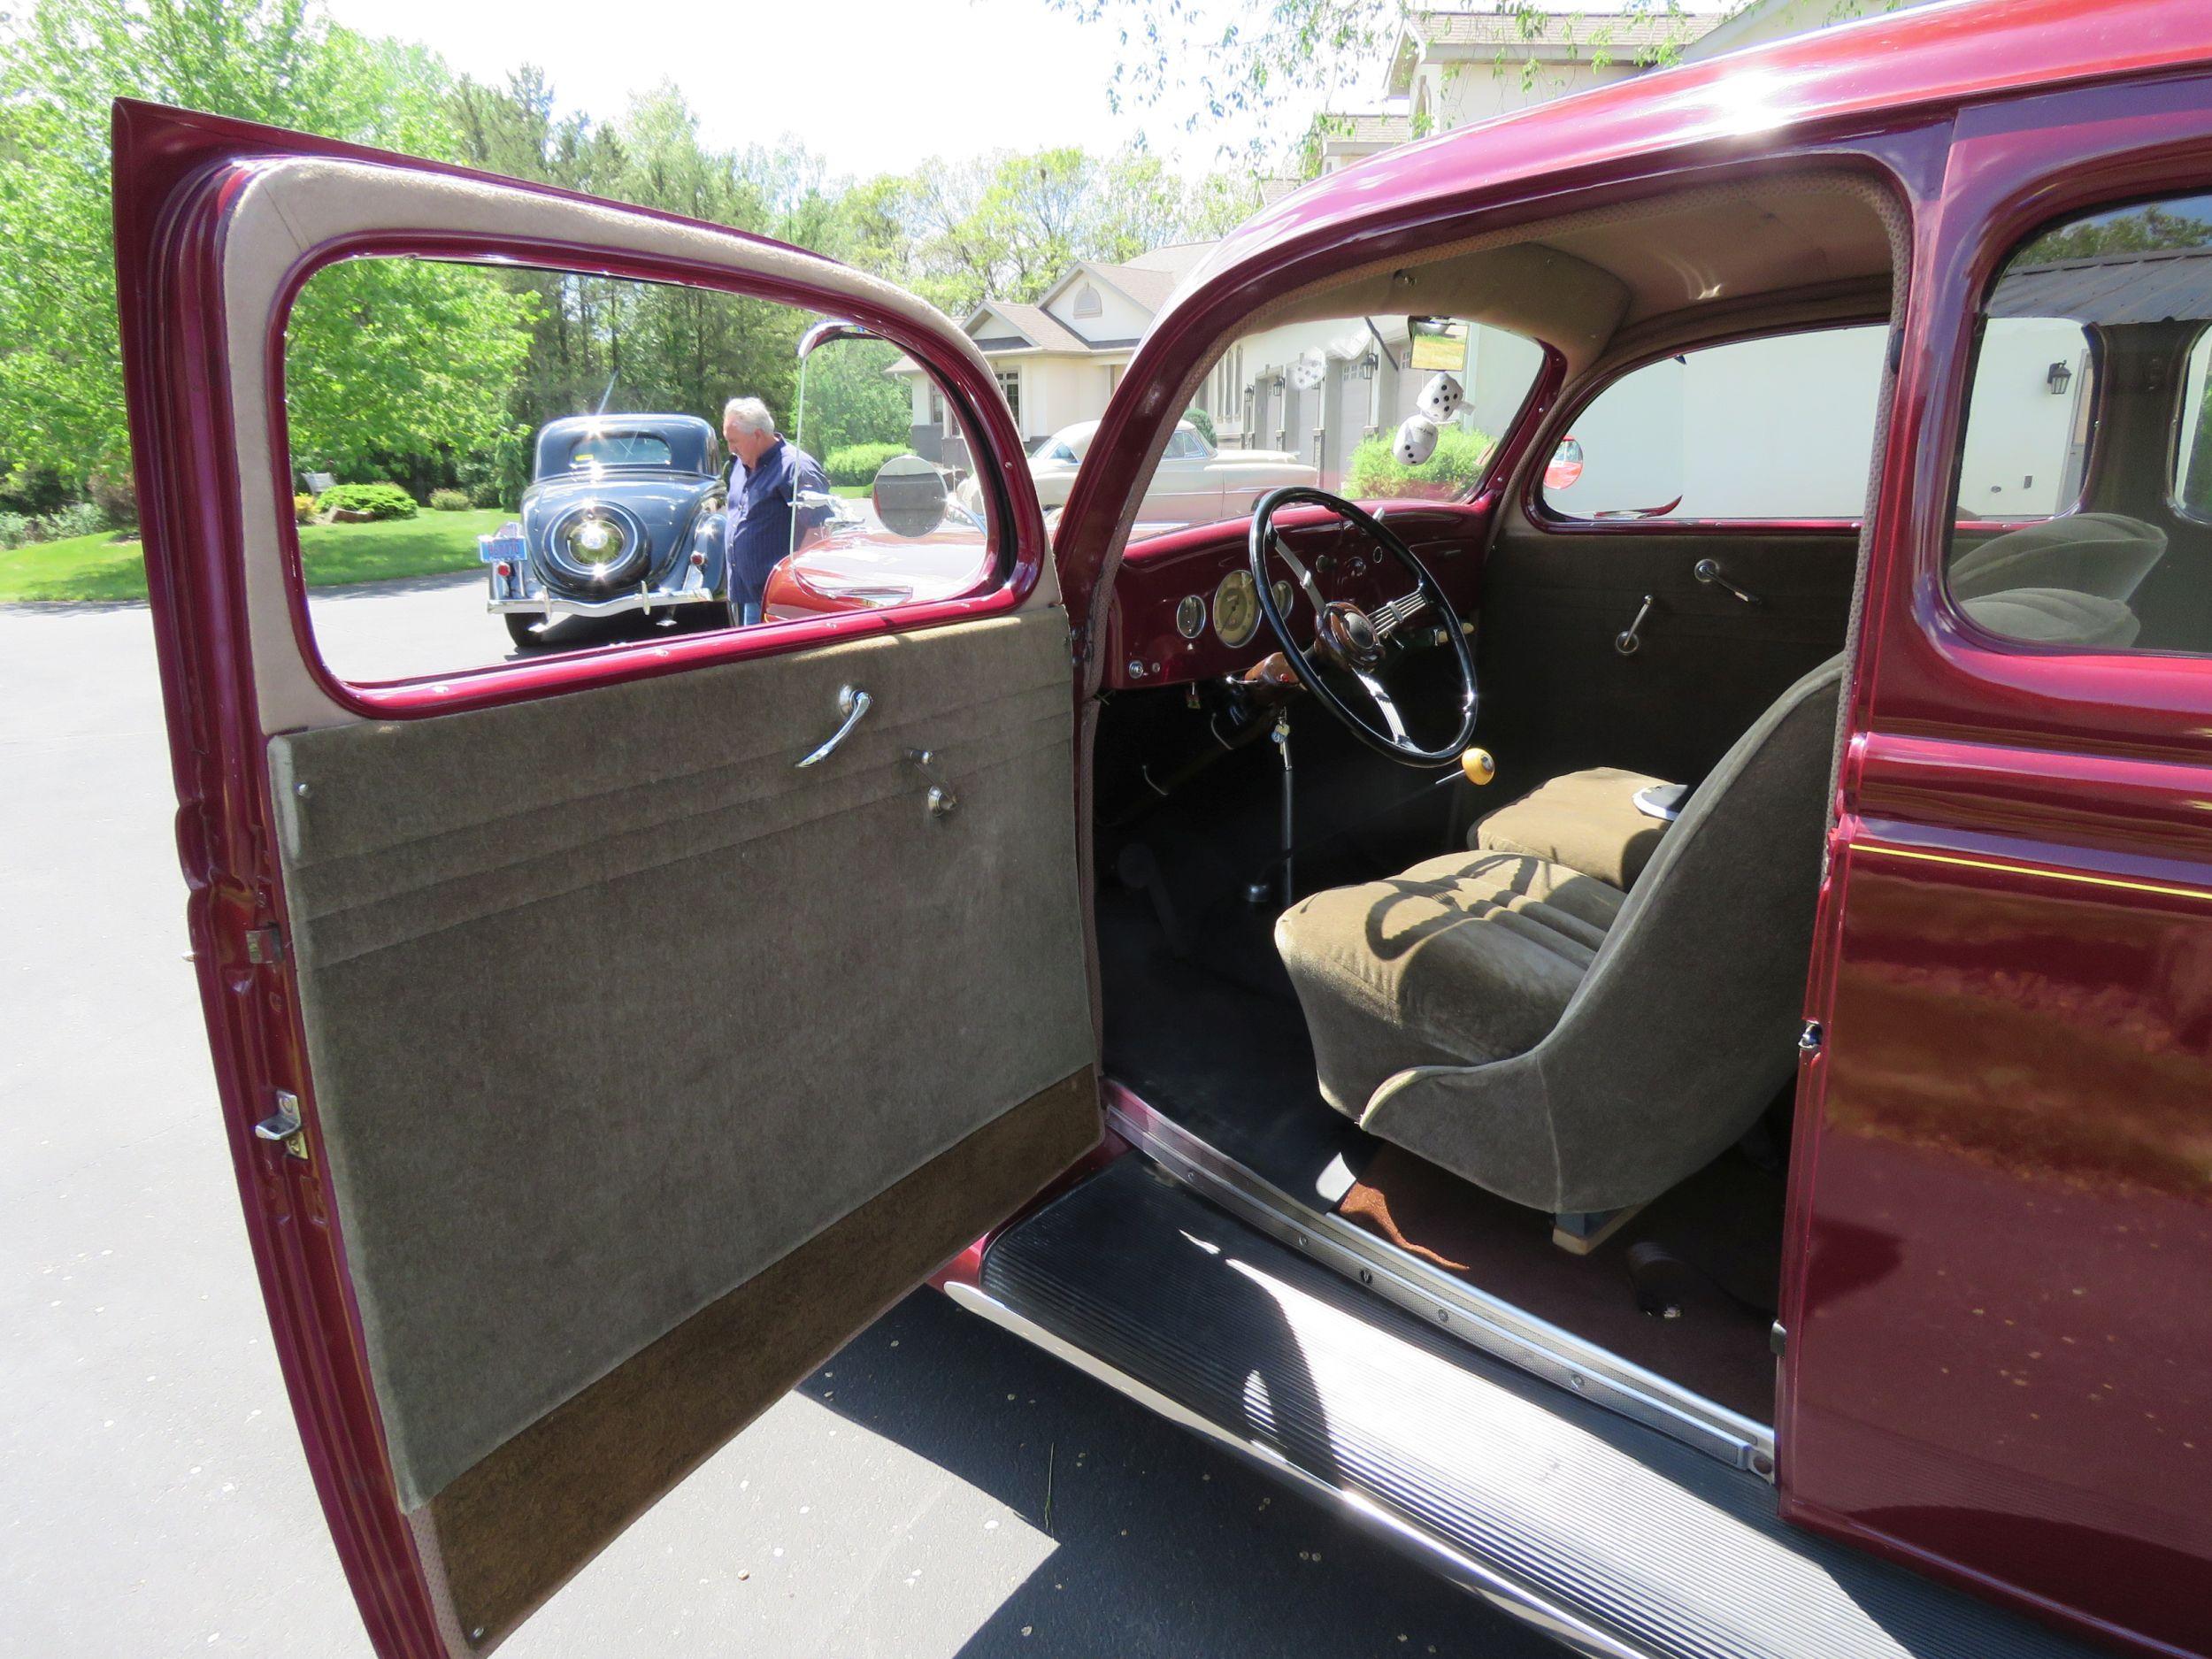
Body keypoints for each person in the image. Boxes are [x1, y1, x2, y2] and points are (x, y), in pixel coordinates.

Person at [720, 396, 830, 626]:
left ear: (757, 435)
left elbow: (819, 532)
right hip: (742, 592)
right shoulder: (740, 466)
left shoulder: (797, 469)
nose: (730, 449)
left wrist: (792, 587)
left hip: (775, 601)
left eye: (734, 441)